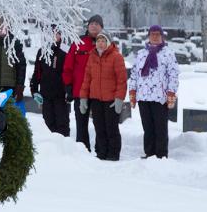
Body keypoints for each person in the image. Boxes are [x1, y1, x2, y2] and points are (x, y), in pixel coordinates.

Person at [128, 25, 179, 159]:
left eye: (157, 34)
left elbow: (173, 75)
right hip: (143, 96)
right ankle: (149, 153)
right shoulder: (141, 54)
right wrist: (132, 91)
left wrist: (171, 93)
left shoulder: (168, 53)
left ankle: (161, 154)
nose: (155, 36)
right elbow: (134, 74)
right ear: (148, 36)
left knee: (160, 127)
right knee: (148, 127)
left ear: (162, 36)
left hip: (160, 97)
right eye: (152, 34)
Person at [79, 32, 126, 161]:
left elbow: (121, 80)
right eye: (98, 40)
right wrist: (83, 97)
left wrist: (119, 98)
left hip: (111, 100)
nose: (100, 43)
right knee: (99, 127)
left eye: (103, 41)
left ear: (108, 43)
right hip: (96, 100)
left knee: (111, 128)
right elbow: (87, 79)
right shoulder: (92, 56)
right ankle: (101, 152)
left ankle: (113, 154)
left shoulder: (116, 57)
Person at [62, 15, 103, 152]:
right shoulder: (78, 43)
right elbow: (68, 66)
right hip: (80, 91)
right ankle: (83, 150)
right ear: (87, 26)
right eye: (91, 23)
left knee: (100, 122)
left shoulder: (105, 43)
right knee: (81, 122)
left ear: (101, 27)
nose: (94, 26)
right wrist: (68, 85)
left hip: (99, 92)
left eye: (97, 24)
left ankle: (101, 150)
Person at [30, 27, 70, 136]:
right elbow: (37, 72)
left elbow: (69, 72)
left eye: (56, 33)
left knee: (62, 124)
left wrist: (69, 91)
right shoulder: (42, 51)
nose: (53, 36)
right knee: (48, 123)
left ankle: (64, 150)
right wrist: (34, 89)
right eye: (50, 34)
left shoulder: (65, 51)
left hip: (61, 96)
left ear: (60, 35)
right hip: (46, 95)